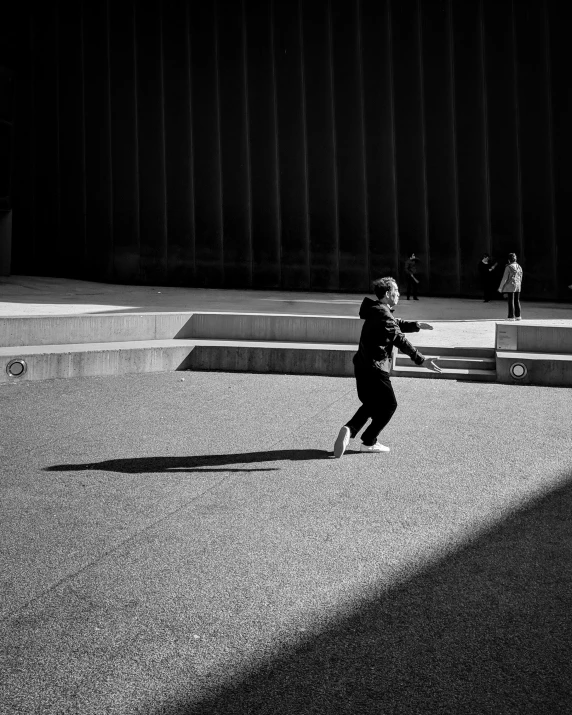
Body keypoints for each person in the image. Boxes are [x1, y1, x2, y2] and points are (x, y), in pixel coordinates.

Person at [333, 277, 442, 458]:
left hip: (362, 366)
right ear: (387, 294)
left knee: (372, 404)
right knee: (389, 405)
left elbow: (394, 322)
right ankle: (369, 441)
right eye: (396, 291)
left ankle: (349, 429)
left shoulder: (376, 310)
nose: (398, 294)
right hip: (377, 368)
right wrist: (422, 360)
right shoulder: (383, 314)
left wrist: (415, 325)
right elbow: (399, 339)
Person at [498, 252, 523, 320]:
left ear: (509, 260)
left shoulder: (508, 267)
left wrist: (500, 287)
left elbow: (504, 278)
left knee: (510, 301)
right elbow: (521, 277)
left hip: (510, 286)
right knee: (517, 300)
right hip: (518, 285)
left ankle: (511, 316)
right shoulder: (519, 267)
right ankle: (518, 316)